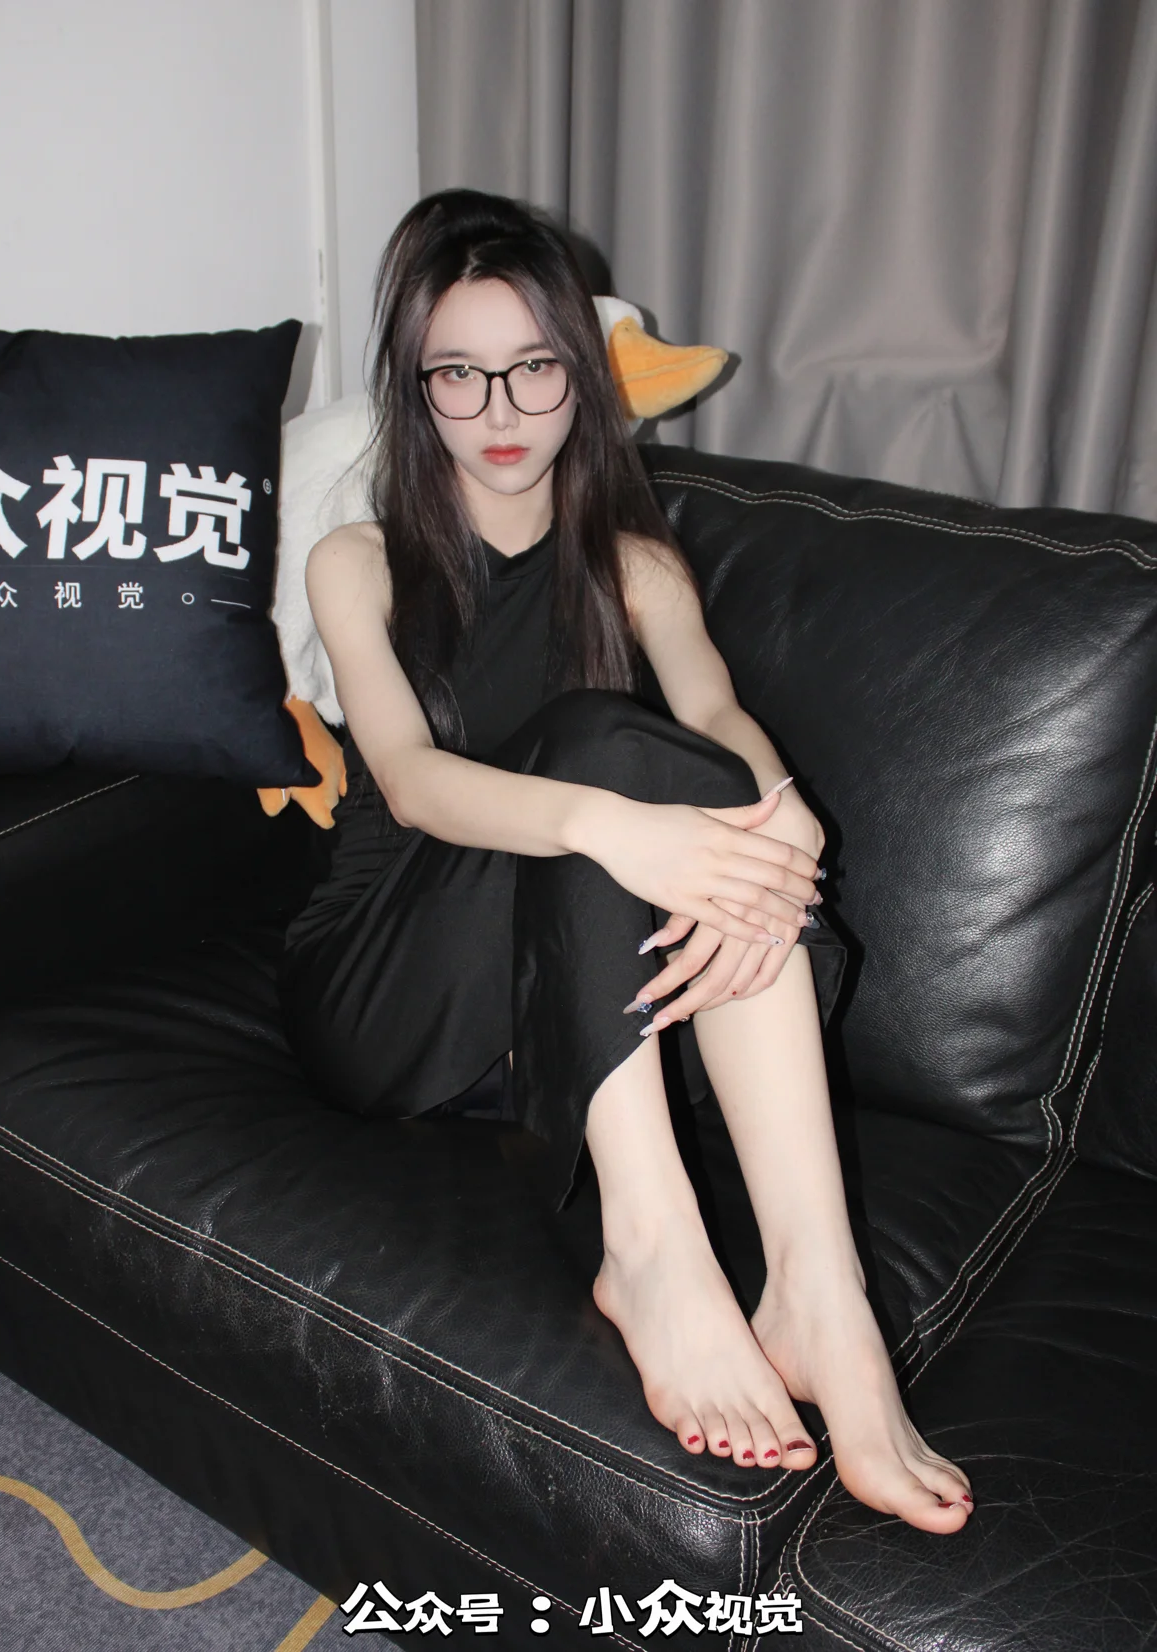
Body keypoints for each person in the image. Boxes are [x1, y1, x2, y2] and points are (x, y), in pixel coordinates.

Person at [278, 188, 975, 1533]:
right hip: (385, 988)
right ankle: (652, 1252)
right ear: (414, 388)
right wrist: (609, 822)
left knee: (681, 768)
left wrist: (784, 809)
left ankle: (819, 1292)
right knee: (603, 750)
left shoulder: (638, 566)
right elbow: (412, 783)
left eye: (536, 367)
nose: (500, 409)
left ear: (582, 376)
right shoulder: (356, 563)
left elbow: (714, 714)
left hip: (554, 1008)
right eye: (458, 374)